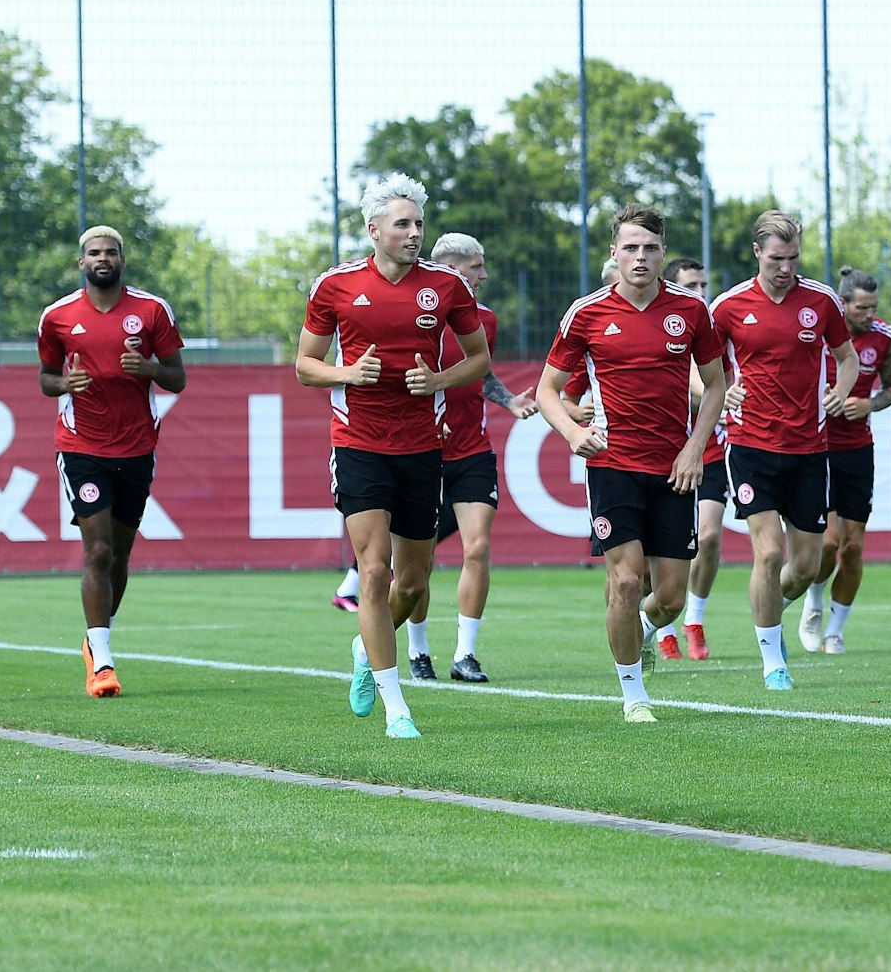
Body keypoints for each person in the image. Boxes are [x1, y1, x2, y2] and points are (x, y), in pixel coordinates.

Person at [297, 172, 490, 739]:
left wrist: (439, 381)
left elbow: (478, 359)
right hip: (358, 443)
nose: (414, 233)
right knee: (374, 570)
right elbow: (305, 365)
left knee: (413, 583)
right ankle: (395, 705)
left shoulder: (446, 287)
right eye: (402, 224)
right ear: (373, 229)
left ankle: (365, 646)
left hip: (422, 447)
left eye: (419, 223)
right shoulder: (334, 286)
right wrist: (347, 373)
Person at [538, 204, 725, 722]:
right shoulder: (586, 313)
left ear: (663, 253)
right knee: (625, 581)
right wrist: (574, 432)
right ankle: (634, 696)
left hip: (674, 469)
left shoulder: (691, 311)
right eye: (630, 248)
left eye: (650, 248)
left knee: (670, 600)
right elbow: (548, 390)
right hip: (612, 465)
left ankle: (641, 630)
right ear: (614, 253)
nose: (640, 257)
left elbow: (715, 385)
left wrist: (694, 447)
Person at [37, 226, 187, 699]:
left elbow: (177, 378)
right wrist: (65, 384)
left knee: (120, 553)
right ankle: (102, 661)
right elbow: (46, 378)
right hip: (81, 445)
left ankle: (95, 636)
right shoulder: (58, 316)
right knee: (98, 550)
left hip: (137, 446)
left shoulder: (152, 310)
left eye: (111, 252)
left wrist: (150, 369)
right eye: (94, 253)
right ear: (81, 263)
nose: (103, 258)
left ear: (122, 260)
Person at [711, 211, 858, 691]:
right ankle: (773, 661)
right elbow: (697, 364)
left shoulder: (821, 301)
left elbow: (847, 358)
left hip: (810, 448)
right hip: (750, 445)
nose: (786, 267)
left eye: (793, 258)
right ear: (757, 252)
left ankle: (771, 613)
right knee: (770, 553)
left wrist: (842, 391)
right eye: (777, 258)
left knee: (808, 566)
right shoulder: (728, 306)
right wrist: (720, 392)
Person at [400, 232, 535, 684]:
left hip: (472, 451)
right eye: (477, 266)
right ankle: (418, 651)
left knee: (477, 548)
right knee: (418, 564)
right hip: (422, 451)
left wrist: (509, 401)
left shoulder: (485, 319)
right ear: (452, 269)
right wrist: (423, 417)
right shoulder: (413, 315)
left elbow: (481, 372)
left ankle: (465, 654)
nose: (485, 275)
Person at [798, 266, 891, 655]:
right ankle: (813, 602)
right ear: (843, 305)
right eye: (861, 308)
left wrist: (869, 404)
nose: (869, 315)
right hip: (818, 447)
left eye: (873, 307)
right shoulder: (817, 333)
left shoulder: (885, 337)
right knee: (829, 543)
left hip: (857, 449)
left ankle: (835, 631)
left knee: (854, 547)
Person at [654, 256, 723, 661]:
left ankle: (694, 620)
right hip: (663, 450)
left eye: (703, 285)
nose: (700, 293)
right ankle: (661, 627)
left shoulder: (713, 320)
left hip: (709, 448)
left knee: (709, 537)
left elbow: (717, 377)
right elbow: (700, 380)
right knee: (655, 552)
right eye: (691, 285)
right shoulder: (667, 321)